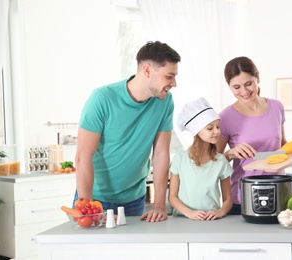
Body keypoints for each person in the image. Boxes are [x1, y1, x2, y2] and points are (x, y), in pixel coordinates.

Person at [74, 41, 181, 222]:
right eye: (169, 76)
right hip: (95, 198)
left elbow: (161, 154)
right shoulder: (102, 98)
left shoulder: (165, 102)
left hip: (134, 200)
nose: (174, 83)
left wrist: (159, 205)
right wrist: (88, 207)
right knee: (90, 251)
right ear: (147, 70)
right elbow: (83, 156)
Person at [216, 56, 287, 215]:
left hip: (278, 190)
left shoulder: (277, 107)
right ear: (229, 87)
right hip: (243, 196)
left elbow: (283, 145)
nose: (244, 91)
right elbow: (213, 160)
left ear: (258, 78)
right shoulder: (225, 117)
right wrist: (231, 153)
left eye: (249, 84)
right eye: (237, 87)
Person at [168, 97, 233, 220]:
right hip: (183, 220)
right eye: (210, 128)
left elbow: (228, 199)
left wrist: (220, 212)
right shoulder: (180, 159)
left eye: (218, 126)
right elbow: (172, 197)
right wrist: (189, 213)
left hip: (211, 221)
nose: (217, 131)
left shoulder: (220, 161)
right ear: (196, 131)